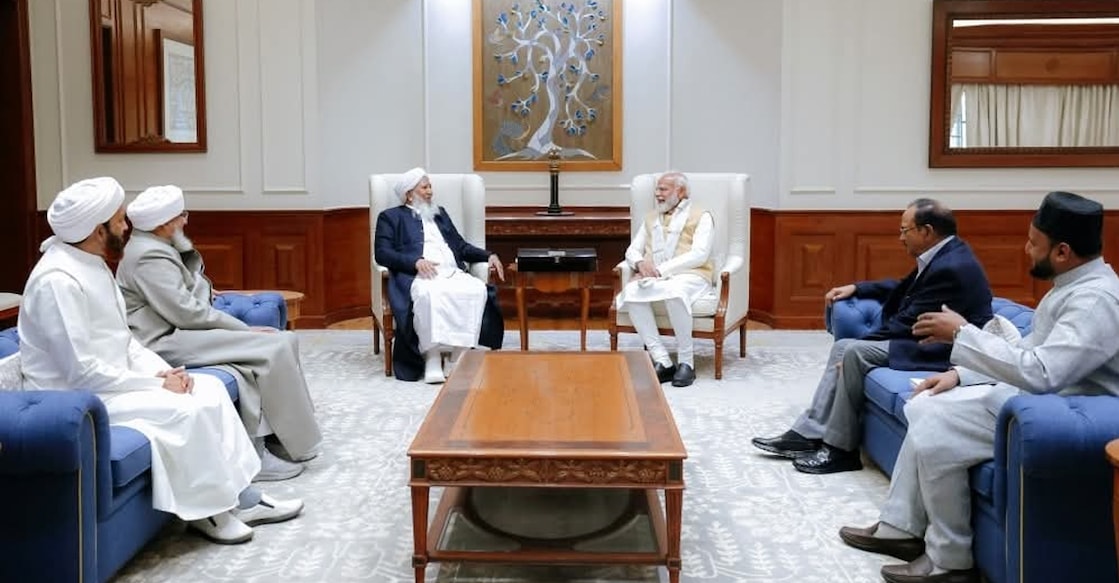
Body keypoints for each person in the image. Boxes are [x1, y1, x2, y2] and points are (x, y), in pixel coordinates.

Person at [839, 191, 1119, 583]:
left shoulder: (1095, 301)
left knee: (933, 420)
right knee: (925, 404)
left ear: (1062, 252)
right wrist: (960, 375)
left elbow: (1042, 372)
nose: (1025, 250)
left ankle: (949, 561)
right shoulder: (1071, 286)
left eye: (1032, 243)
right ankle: (901, 528)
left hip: (1059, 415)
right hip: (1038, 402)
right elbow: (1033, 353)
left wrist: (963, 334)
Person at [18, 177, 303, 545]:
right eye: (120, 220)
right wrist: (156, 385)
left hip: (116, 381)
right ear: (96, 230)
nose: (127, 226)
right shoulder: (57, 280)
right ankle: (209, 512)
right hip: (76, 399)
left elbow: (124, 340)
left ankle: (241, 496)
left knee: (211, 390)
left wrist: (162, 370)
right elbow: (82, 371)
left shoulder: (91, 261)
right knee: (184, 410)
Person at [751, 198, 993, 474]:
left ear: (926, 231)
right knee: (845, 347)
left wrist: (863, 345)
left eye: (905, 230)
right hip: (927, 340)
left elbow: (908, 322)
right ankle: (809, 433)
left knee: (853, 351)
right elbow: (904, 288)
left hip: (945, 350)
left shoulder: (951, 266)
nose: (900, 237)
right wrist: (858, 287)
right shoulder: (944, 254)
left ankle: (841, 451)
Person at [115, 185, 323, 482]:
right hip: (162, 341)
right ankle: (257, 455)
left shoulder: (156, 244)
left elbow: (189, 291)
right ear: (162, 225)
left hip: (179, 331)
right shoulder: (148, 256)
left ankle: (284, 439)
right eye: (181, 216)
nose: (185, 221)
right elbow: (185, 312)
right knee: (271, 347)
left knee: (285, 339)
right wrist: (244, 329)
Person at [373, 168, 505, 383]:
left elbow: (460, 246)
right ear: (409, 194)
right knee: (429, 296)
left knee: (475, 290)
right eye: (424, 187)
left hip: (451, 271)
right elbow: (382, 253)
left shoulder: (440, 213)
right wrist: (414, 262)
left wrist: (488, 255)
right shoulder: (390, 217)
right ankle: (432, 358)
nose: (430, 191)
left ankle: (457, 355)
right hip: (419, 276)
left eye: (430, 186)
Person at [616, 171, 715, 388]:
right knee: (631, 292)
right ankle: (662, 360)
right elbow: (632, 250)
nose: (657, 194)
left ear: (680, 191)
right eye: (657, 189)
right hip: (655, 276)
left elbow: (700, 254)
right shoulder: (651, 218)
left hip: (692, 275)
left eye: (663, 189)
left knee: (675, 292)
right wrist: (641, 264)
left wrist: (660, 270)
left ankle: (686, 363)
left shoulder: (702, 216)